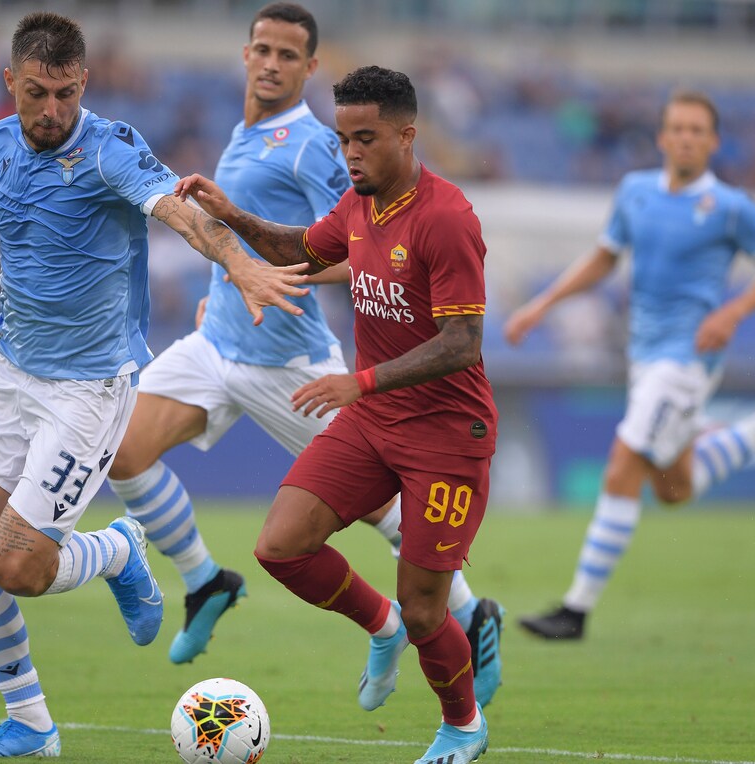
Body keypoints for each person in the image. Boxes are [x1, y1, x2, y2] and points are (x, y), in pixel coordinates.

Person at [0, 13, 308, 759]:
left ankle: (119, 550)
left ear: (84, 83)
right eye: (37, 93)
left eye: (66, 93)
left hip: (89, 388)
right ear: (10, 82)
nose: (52, 110)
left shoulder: (110, 149)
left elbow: (183, 214)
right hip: (6, 369)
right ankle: (31, 725)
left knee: (16, 566)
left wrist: (243, 265)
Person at [106, 1, 503, 705]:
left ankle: (469, 618)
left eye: (287, 55)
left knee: (384, 512)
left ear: (310, 67)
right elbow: (285, 242)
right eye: (262, 50)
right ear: (245, 53)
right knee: (122, 449)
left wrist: (272, 284)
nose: (270, 64)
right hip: (217, 342)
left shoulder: (318, 146)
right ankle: (205, 580)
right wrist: (227, 287)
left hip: (288, 360)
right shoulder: (245, 133)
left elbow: (357, 248)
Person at [178, 65, 493, 764]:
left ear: (406, 136)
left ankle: (463, 726)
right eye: (344, 138)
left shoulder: (447, 218)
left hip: (446, 434)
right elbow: (299, 250)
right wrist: (233, 216)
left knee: (427, 609)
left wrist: (362, 381)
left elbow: (463, 342)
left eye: (365, 139)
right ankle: (380, 625)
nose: (350, 153)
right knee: (280, 547)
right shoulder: (359, 205)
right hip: (376, 421)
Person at [502, 89, 755, 641]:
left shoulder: (731, 207)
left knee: (622, 467)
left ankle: (576, 609)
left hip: (687, 360)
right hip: (644, 356)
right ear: (661, 137)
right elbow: (604, 258)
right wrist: (542, 304)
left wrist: (732, 311)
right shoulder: (635, 192)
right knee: (673, 489)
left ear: (714, 142)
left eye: (696, 130)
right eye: (677, 128)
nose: (685, 138)